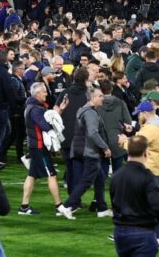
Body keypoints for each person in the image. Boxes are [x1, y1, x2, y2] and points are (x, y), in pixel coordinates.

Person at [110, 135, 159, 257]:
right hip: (142, 232)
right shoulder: (148, 177)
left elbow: (114, 201)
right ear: (146, 152)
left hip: (120, 232)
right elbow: (158, 205)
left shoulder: (116, 176)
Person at [57, 87, 112, 219]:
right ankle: (67, 206)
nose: (102, 98)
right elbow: (93, 133)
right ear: (92, 98)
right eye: (100, 96)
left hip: (84, 150)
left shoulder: (83, 110)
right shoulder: (91, 113)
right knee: (87, 181)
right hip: (91, 152)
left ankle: (102, 208)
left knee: (100, 179)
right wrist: (105, 148)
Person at [18, 82, 65, 216]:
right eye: (44, 91)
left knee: (32, 176)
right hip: (39, 147)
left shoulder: (31, 107)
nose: (46, 93)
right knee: (51, 174)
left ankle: (24, 207)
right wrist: (55, 129)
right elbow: (44, 125)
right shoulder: (36, 109)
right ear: (37, 94)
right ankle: (59, 206)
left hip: (35, 146)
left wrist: (59, 110)